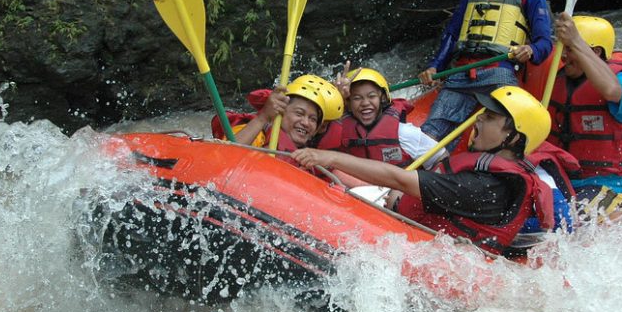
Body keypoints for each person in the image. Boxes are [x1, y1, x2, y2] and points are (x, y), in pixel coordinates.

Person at [293, 86, 555, 257]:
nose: (478, 119)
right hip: (411, 220)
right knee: (337, 176)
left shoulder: (485, 187)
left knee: (339, 177)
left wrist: (328, 155)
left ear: (512, 138)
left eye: (490, 117)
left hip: (428, 255)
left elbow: (399, 178)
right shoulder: (490, 175)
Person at [416, 0, 553, 148]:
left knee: (500, 136)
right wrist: (435, 66)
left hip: (498, 73)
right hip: (461, 73)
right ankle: (424, 174)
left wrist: (531, 50)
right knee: (430, 134)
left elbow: (545, 43)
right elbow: (452, 33)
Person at [547, 13, 622, 215]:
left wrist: (576, 40)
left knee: (571, 223)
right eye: (563, 47)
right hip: (562, 177)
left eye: (570, 49)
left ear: (595, 51)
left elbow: (611, 90)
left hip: (608, 183)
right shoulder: (558, 79)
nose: (563, 55)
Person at [316, 68, 446, 169]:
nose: (365, 103)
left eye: (371, 96)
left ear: (383, 99)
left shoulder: (404, 133)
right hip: (353, 191)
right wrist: (336, 96)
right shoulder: (339, 128)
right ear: (348, 103)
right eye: (357, 98)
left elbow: (441, 158)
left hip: (396, 195)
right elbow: (315, 131)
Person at [230, 75, 337, 161]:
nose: (306, 123)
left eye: (313, 119)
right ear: (280, 111)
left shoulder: (311, 156)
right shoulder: (257, 134)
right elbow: (226, 154)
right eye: (299, 114)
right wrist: (263, 117)